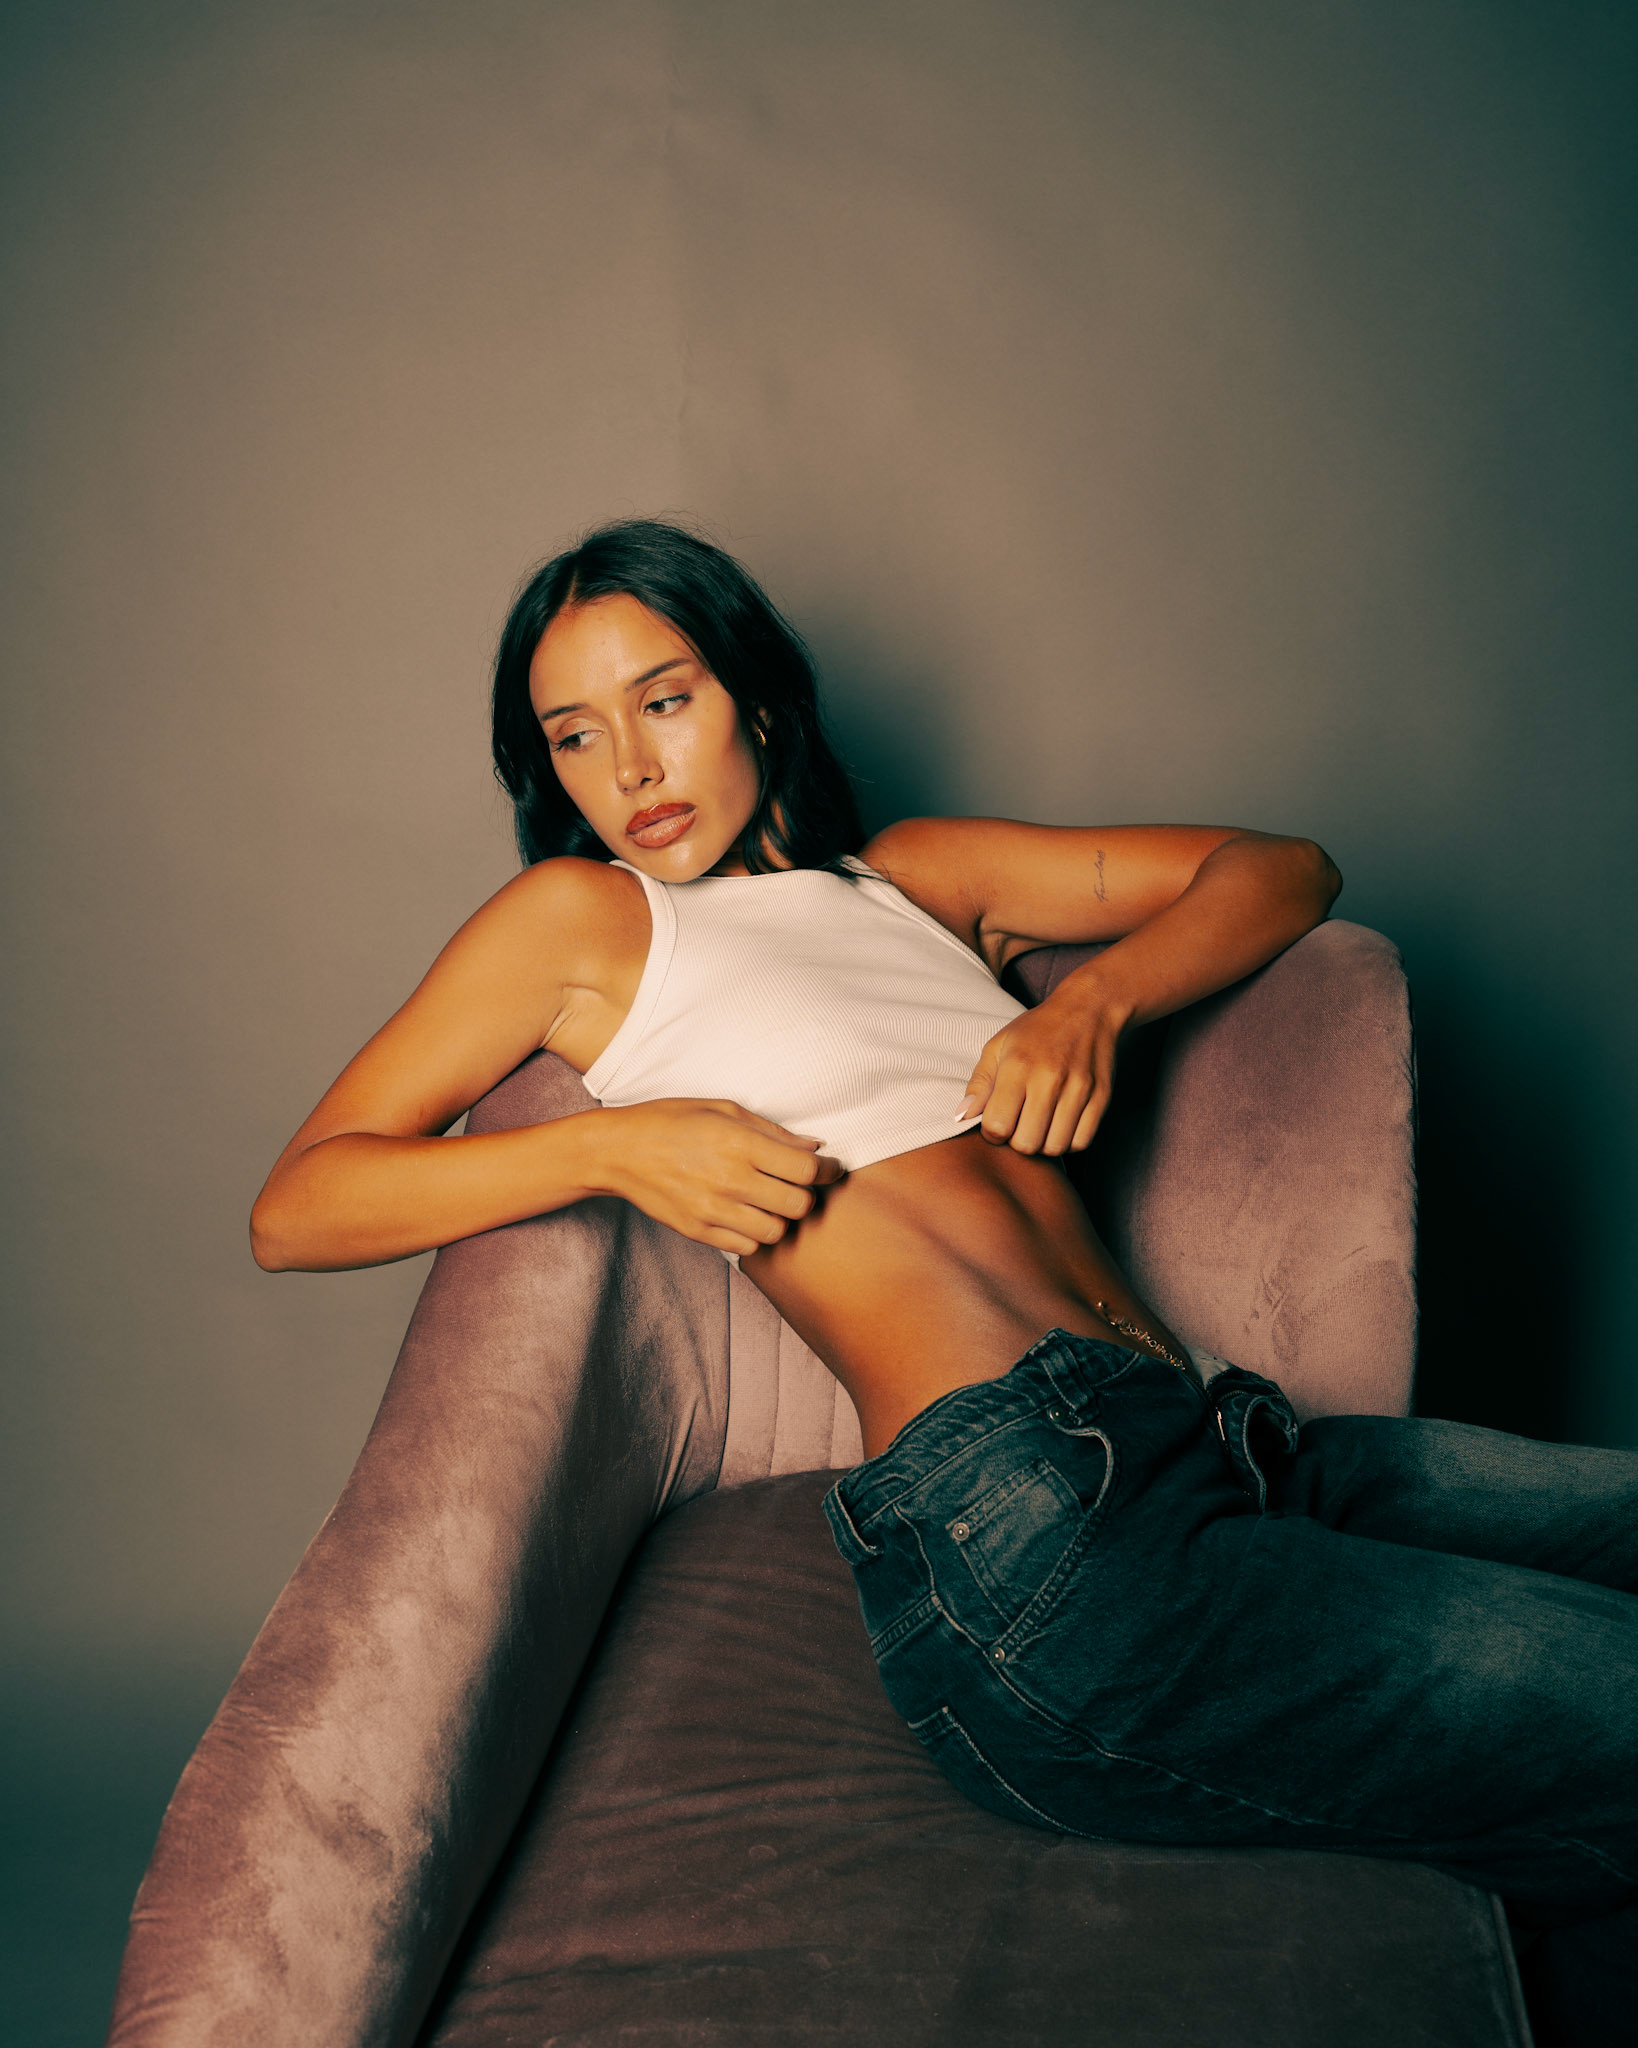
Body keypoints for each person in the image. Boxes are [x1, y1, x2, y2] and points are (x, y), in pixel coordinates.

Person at [251, 518, 1635, 2047]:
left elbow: (1280, 869)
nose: (630, 768)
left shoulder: (911, 881)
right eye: (575, 736)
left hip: (1231, 1450)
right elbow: (300, 1204)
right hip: (1039, 1548)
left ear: (754, 698)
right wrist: (613, 1149)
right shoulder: (583, 922)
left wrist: (1093, 1006)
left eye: (665, 699)